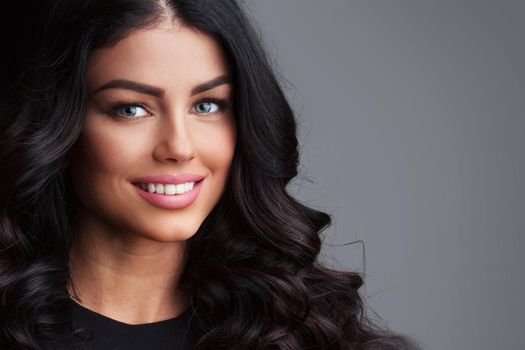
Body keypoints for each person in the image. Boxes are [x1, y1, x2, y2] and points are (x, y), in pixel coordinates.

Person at [0, 1, 421, 349]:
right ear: (54, 124)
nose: (180, 147)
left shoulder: (313, 335)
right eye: (131, 108)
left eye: (206, 105)